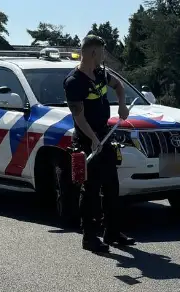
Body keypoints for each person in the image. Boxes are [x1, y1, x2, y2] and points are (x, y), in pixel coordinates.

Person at [65, 35, 133, 253]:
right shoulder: (74, 82)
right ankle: (89, 237)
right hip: (87, 140)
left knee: (112, 186)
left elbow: (120, 86)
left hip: (105, 135)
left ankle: (112, 232)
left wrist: (122, 106)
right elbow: (79, 117)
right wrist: (93, 140)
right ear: (93, 53)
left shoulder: (101, 74)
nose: (104, 56)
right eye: (102, 52)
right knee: (91, 189)